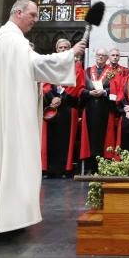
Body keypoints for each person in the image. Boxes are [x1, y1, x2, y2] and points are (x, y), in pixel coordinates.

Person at [0, 0, 86, 236]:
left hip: (5, 111)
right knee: (9, 159)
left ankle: (1, 218)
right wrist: (70, 54)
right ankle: (5, 219)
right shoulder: (11, 39)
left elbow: (30, 69)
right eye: (33, 14)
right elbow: (35, 64)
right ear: (18, 13)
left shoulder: (7, 37)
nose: (35, 19)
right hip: (10, 115)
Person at [41, 39, 81, 178]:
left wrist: (61, 97)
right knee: (50, 140)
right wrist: (52, 98)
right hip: (51, 106)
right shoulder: (50, 63)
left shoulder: (76, 65)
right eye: (61, 47)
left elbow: (77, 83)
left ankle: (65, 169)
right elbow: (44, 83)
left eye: (66, 47)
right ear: (56, 50)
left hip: (67, 107)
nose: (63, 49)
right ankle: (49, 170)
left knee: (66, 140)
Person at [77, 48, 118, 174]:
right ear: (95, 56)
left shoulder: (112, 72)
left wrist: (104, 92)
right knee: (89, 140)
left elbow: (117, 89)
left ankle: (103, 168)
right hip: (90, 108)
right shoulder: (87, 71)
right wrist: (89, 92)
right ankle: (90, 167)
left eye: (103, 55)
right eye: (99, 55)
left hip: (105, 108)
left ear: (107, 58)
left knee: (105, 139)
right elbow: (79, 89)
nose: (100, 57)